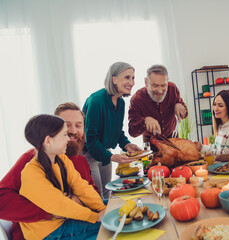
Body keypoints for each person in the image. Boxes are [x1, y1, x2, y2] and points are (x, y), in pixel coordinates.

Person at [0, 102, 99, 240]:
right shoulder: (30, 162)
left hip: (72, 218)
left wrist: (86, 203)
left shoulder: (76, 160)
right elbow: (2, 200)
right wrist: (49, 211)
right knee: (109, 225)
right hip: (45, 230)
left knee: (115, 208)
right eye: (66, 126)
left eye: (78, 125)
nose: (73, 131)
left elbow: (88, 190)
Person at [19, 114, 106, 240]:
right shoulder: (31, 173)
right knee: (111, 223)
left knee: (113, 206)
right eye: (64, 135)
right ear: (48, 141)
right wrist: (96, 217)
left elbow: (80, 186)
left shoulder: (61, 158)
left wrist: (102, 209)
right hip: (49, 232)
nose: (68, 139)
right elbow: (60, 205)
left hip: (64, 219)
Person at [82, 62, 141, 199]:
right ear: (114, 79)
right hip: (89, 154)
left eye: (133, 78)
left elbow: (117, 130)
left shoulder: (120, 102)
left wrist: (126, 144)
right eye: (127, 77)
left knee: (108, 194)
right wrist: (112, 157)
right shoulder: (96, 101)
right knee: (98, 197)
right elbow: (90, 140)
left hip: (104, 151)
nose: (131, 82)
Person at [128, 64, 188, 146]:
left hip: (172, 137)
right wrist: (144, 121)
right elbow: (132, 132)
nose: (160, 91)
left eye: (163, 85)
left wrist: (179, 105)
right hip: (150, 142)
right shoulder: (137, 100)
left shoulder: (172, 89)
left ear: (167, 81)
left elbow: (185, 114)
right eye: (155, 85)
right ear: (146, 82)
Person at [195, 90, 229, 160]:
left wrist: (204, 149)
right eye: (214, 104)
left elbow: (226, 154)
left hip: (227, 167)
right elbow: (216, 147)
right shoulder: (221, 125)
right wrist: (201, 146)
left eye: (220, 105)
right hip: (219, 166)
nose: (215, 108)